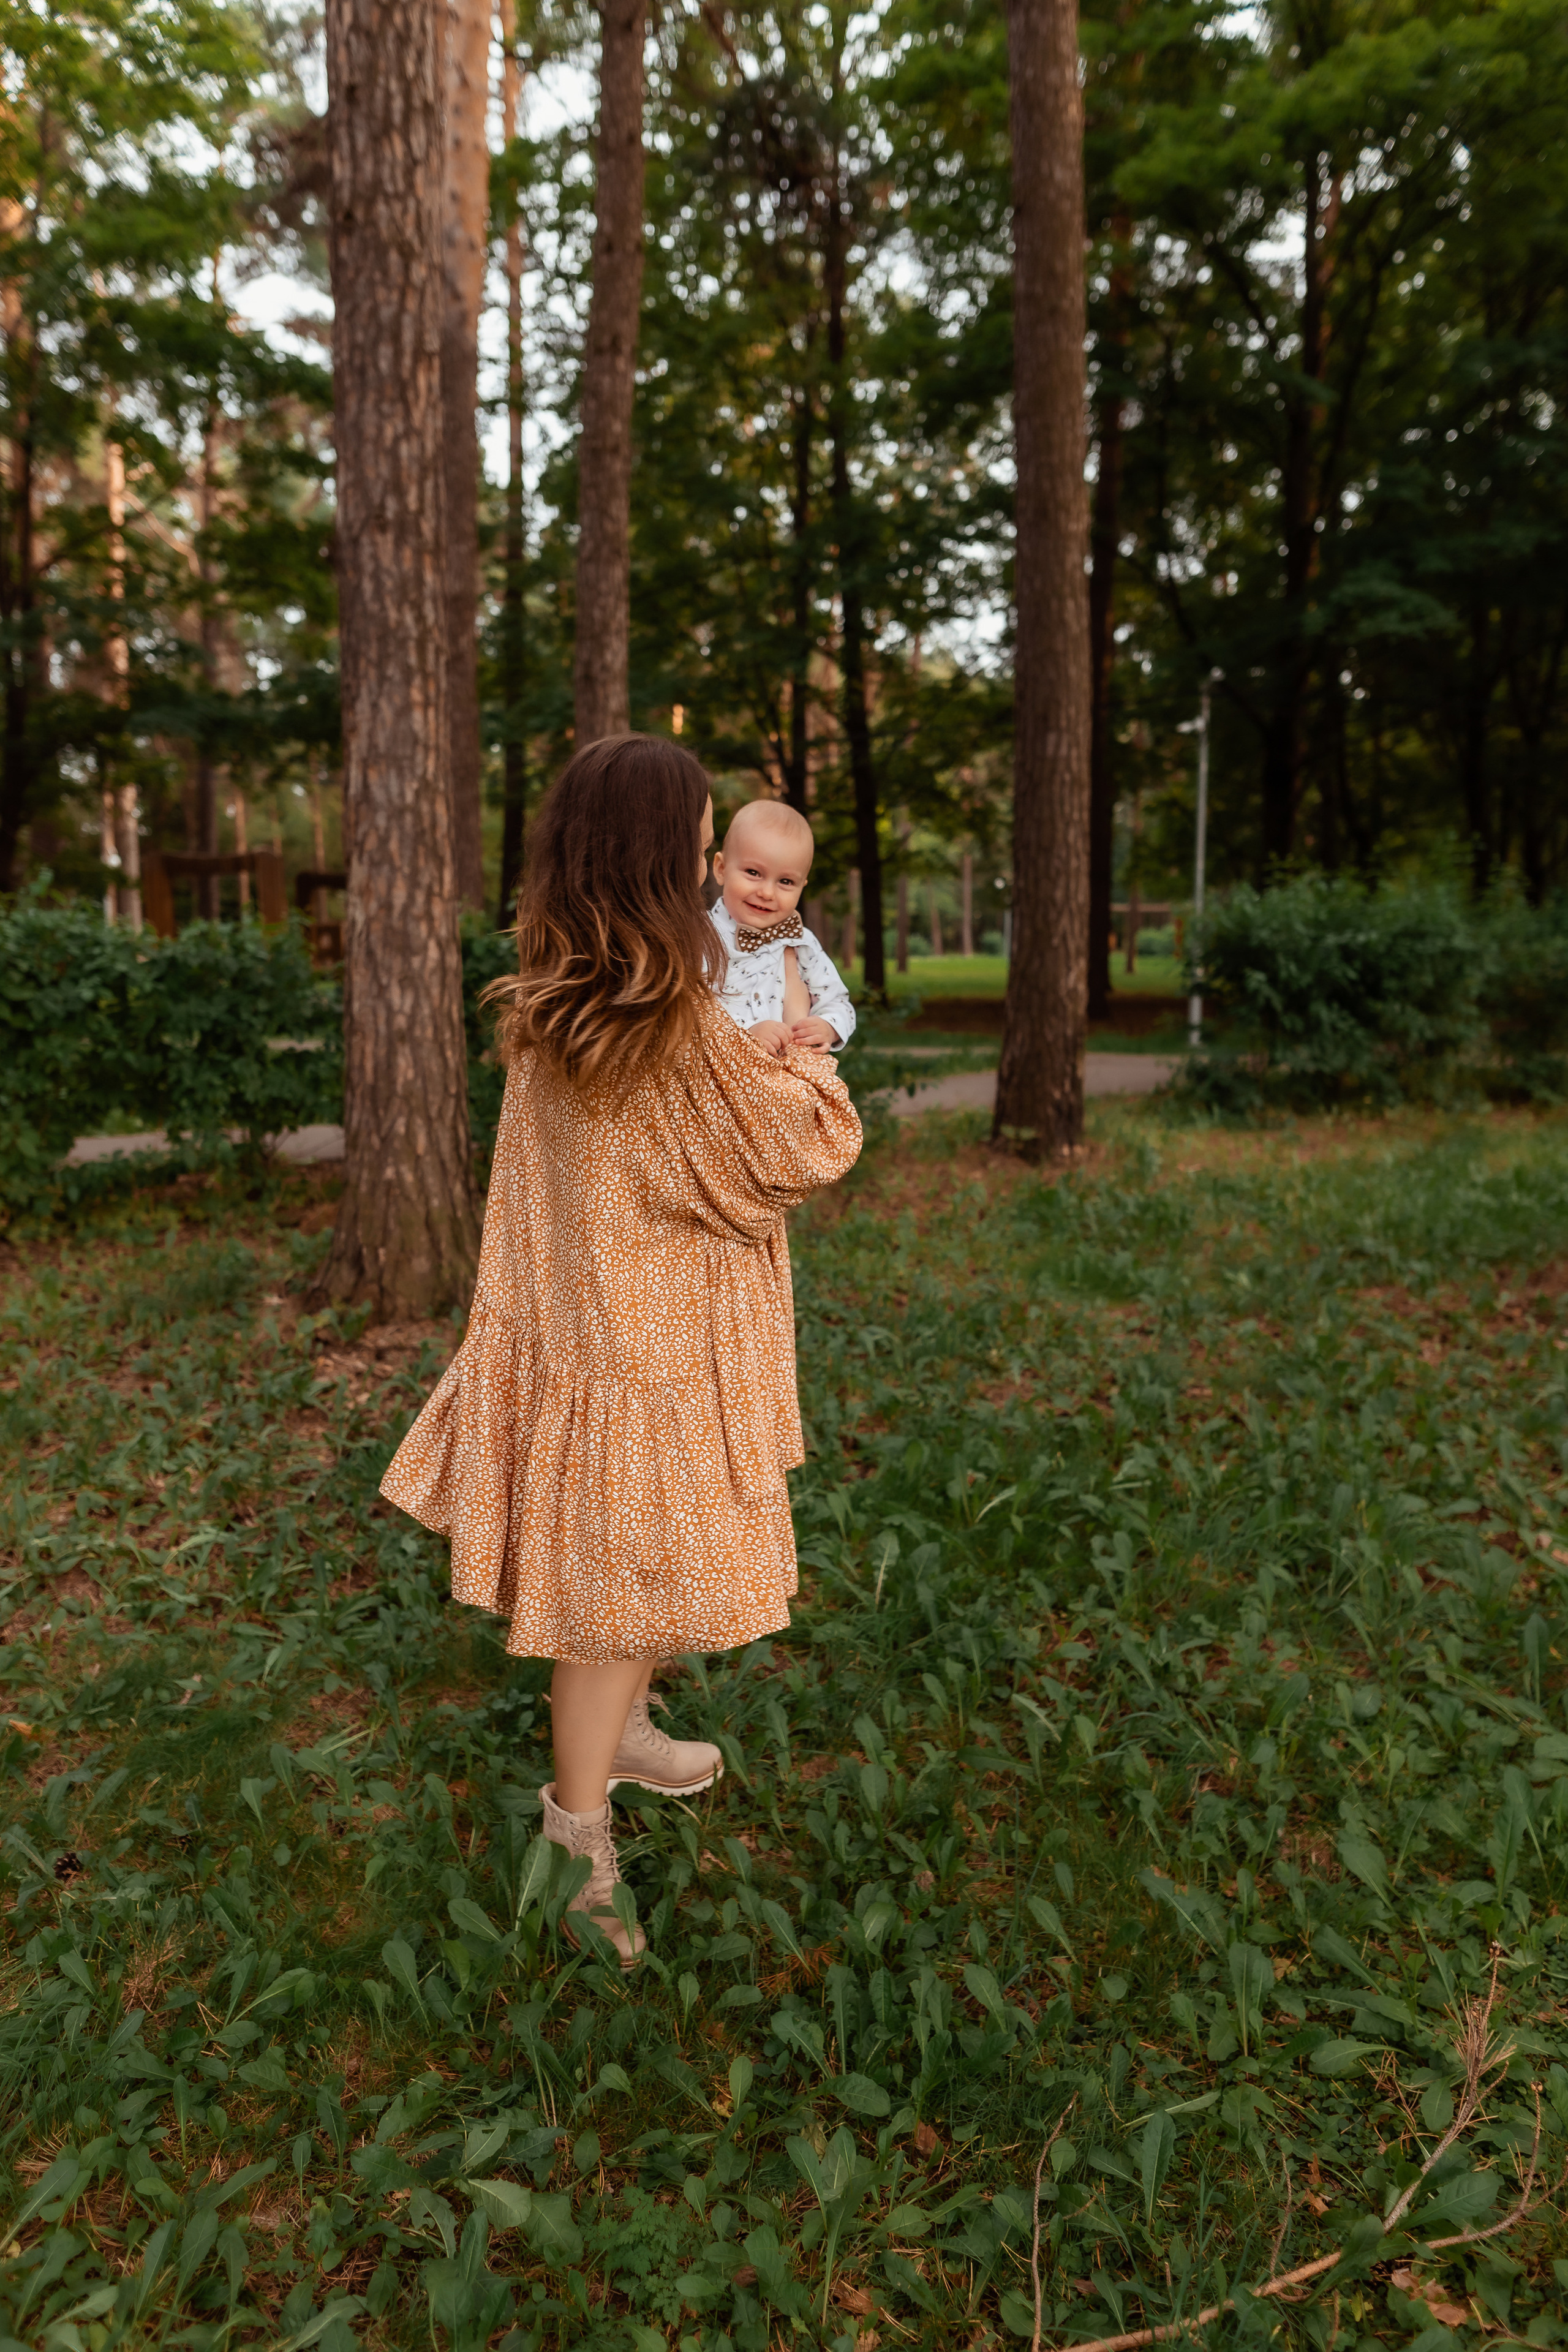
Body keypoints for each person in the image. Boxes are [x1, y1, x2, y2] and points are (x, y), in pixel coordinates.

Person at [380, 736, 862, 1968]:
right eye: (702, 844)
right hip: (640, 1344)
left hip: (604, 1325)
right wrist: (806, 1059)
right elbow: (794, 1153)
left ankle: (629, 1728)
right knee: (609, 1595)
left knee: (641, 1555)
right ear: (654, 859)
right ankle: (573, 1832)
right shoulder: (662, 1017)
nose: (715, 864)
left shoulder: (568, 989)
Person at [709, 799, 856, 1058]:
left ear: (802, 887)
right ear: (721, 869)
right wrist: (744, 1034)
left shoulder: (801, 943)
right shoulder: (699, 936)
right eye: (753, 872)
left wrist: (828, 1026)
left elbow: (838, 1001)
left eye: (786, 881)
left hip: (785, 1077)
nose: (767, 893)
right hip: (721, 1072)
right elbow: (688, 1011)